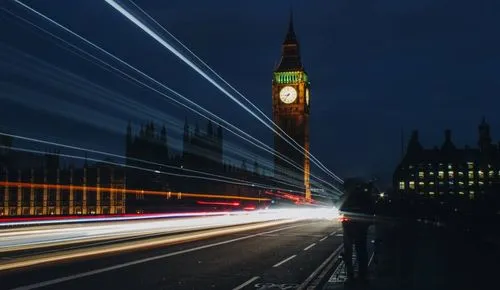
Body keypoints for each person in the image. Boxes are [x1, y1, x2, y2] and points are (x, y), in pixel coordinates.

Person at [338, 181, 375, 284]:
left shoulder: (347, 197)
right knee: (361, 250)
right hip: (361, 226)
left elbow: (340, 209)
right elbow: (372, 210)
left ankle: (350, 275)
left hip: (348, 226)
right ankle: (362, 274)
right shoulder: (364, 197)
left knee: (348, 250)